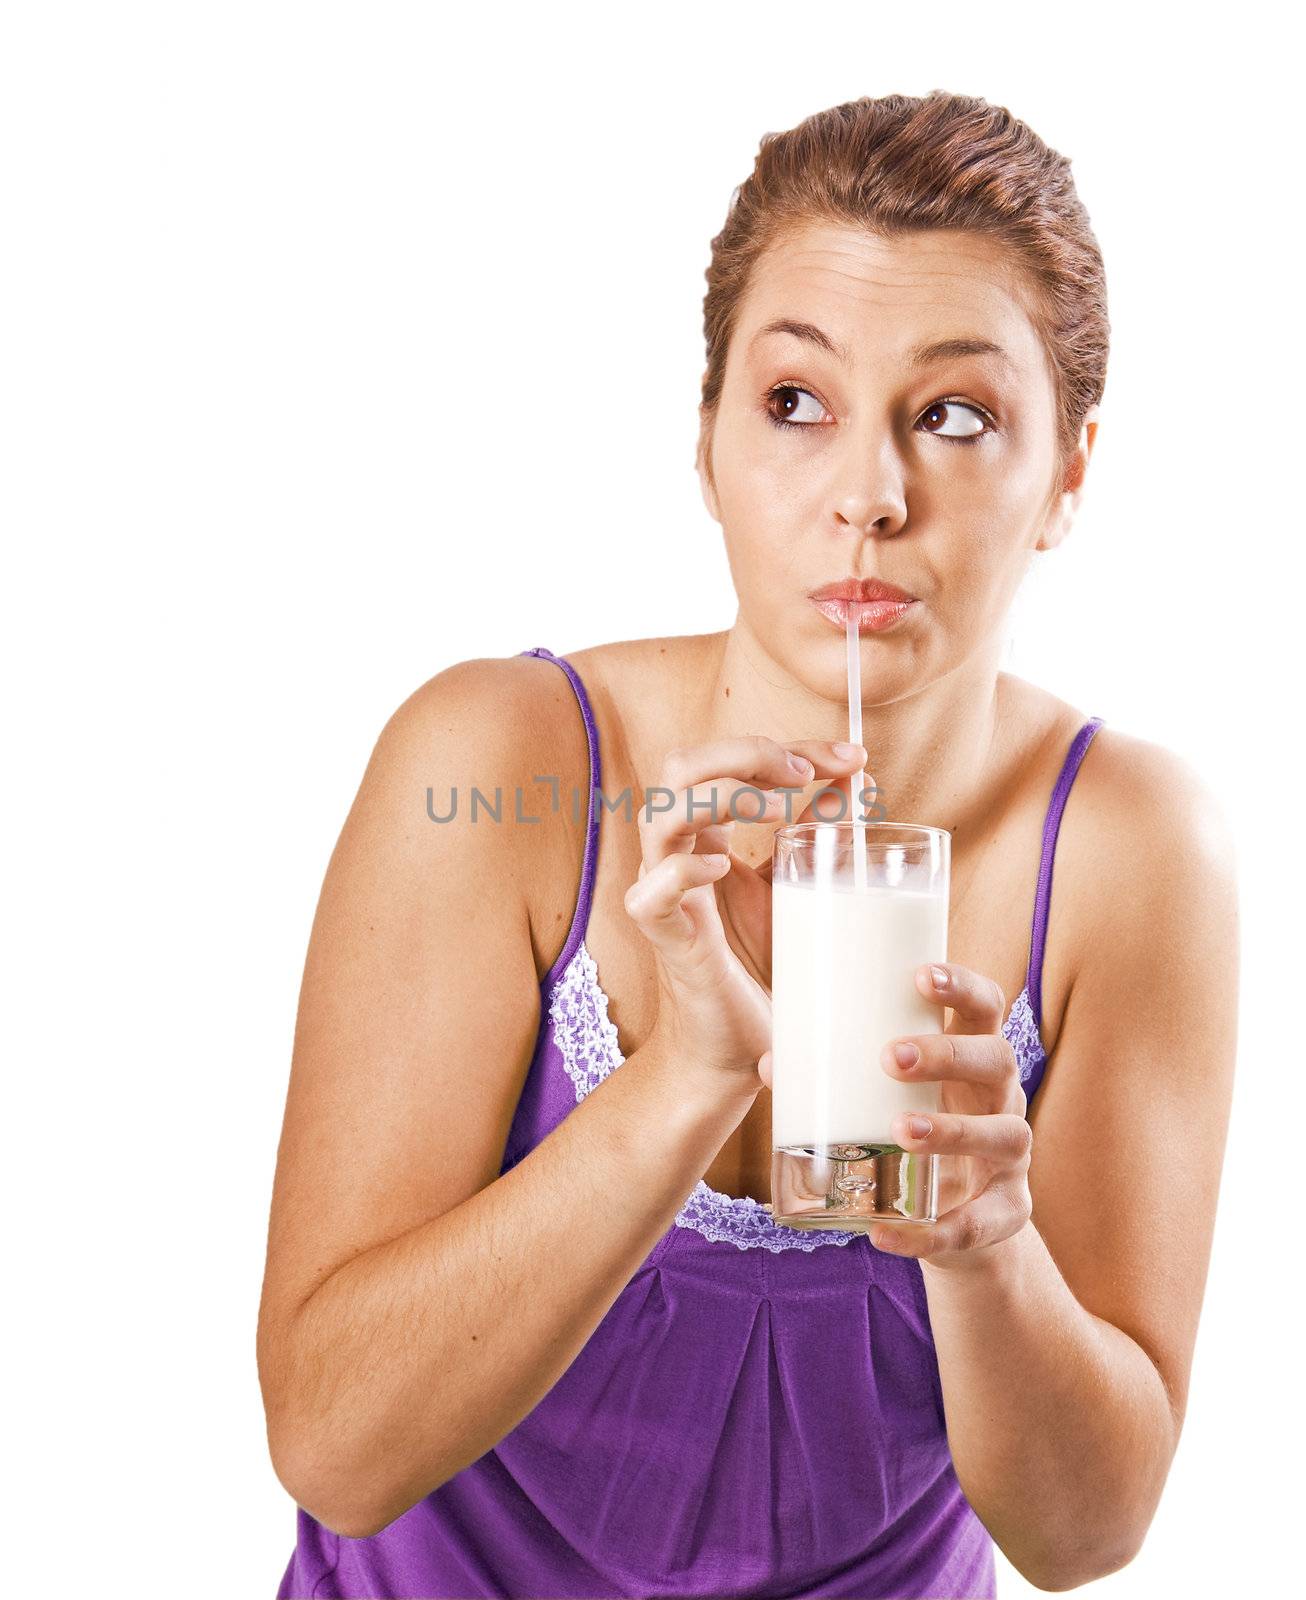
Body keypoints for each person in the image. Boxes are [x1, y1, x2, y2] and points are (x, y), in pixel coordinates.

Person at [259, 90, 1238, 1599]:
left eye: (955, 416)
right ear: (708, 444)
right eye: (794, 403)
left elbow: (1081, 1533)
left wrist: (987, 1252)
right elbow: (334, 1443)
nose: (866, 498)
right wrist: (684, 1078)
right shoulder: (501, 772)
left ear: (1067, 479)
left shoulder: (1126, 853)